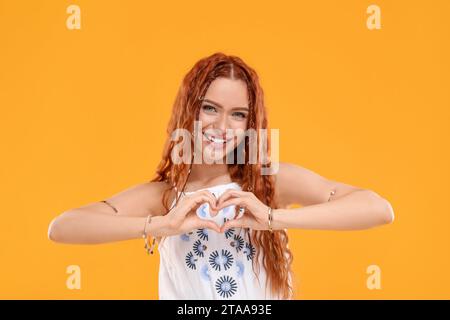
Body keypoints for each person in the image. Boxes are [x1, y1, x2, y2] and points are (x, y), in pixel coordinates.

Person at [48, 52, 395, 300]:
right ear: (189, 110)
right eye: (209, 108)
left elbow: (378, 209)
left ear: (249, 124)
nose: (221, 126)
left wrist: (271, 218)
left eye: (238, 114)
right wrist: (162, 226)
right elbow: (63, 227)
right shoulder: (166, 198)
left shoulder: (268, 184)